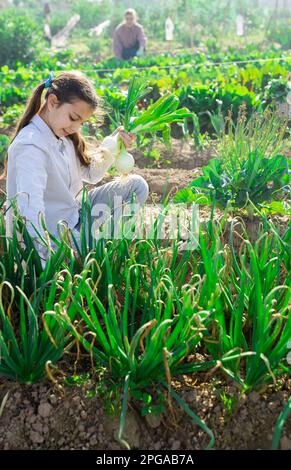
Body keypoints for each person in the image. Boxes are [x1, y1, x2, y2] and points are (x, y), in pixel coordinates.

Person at [1, 71, 149, 263]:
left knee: (136, 186)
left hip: (73, 217)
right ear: (53, 102)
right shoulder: (31, 146)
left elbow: (91, 174)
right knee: (96, 249)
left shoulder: (62, 136)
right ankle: (83, 256)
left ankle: (95, 249)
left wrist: (114, 144)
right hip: (55, 238)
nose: (76, 128)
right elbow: (30, 210)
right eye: (73, 118)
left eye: (82, 122)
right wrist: (46, 265)